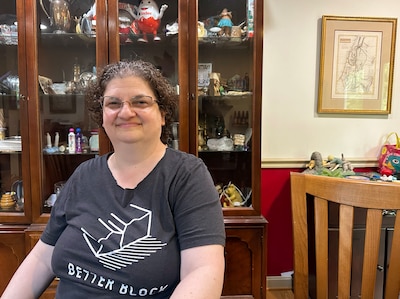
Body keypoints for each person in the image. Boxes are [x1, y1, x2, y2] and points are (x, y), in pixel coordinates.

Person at [1, 60, 226, 298]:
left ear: (163, 114)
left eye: (140, 102)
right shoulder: (84, 175)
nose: (126, 112)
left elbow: (203, 271)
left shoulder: (186, 176)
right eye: (113, 103)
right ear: (103, 115)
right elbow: (41, 258)